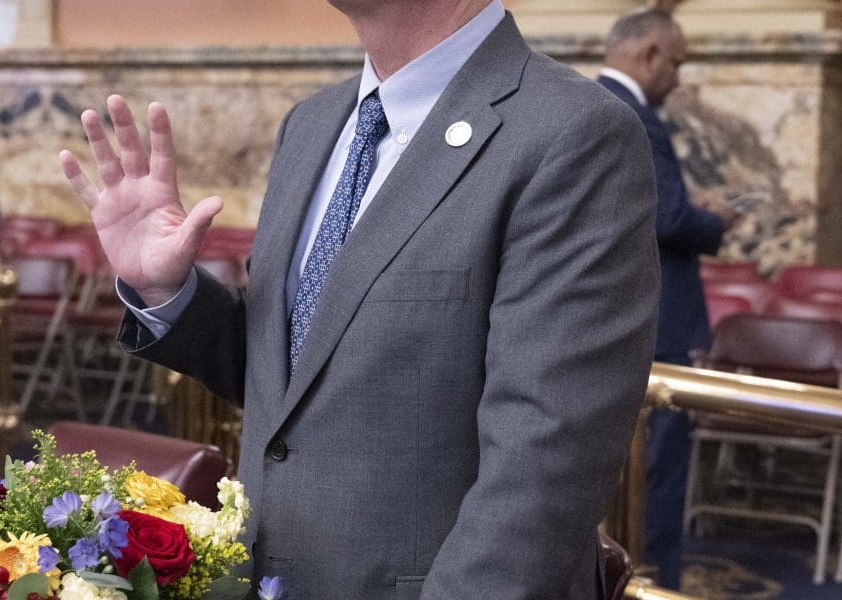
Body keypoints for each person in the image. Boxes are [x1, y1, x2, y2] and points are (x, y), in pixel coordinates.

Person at [62, 1, 660, 597]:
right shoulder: (312, 124)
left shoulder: (572, 132)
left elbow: (544, 469)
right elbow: (300, 376)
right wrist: (166, 291)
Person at [598, 9, 737, 591]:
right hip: (658, 321)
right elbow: (668, 220)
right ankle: (656, 584)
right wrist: (716, 219)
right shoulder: (636, 116)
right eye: (676, 63)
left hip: (617, 317)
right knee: (658, 471)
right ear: (650, 53)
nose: (678, 79)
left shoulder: (593, 103)